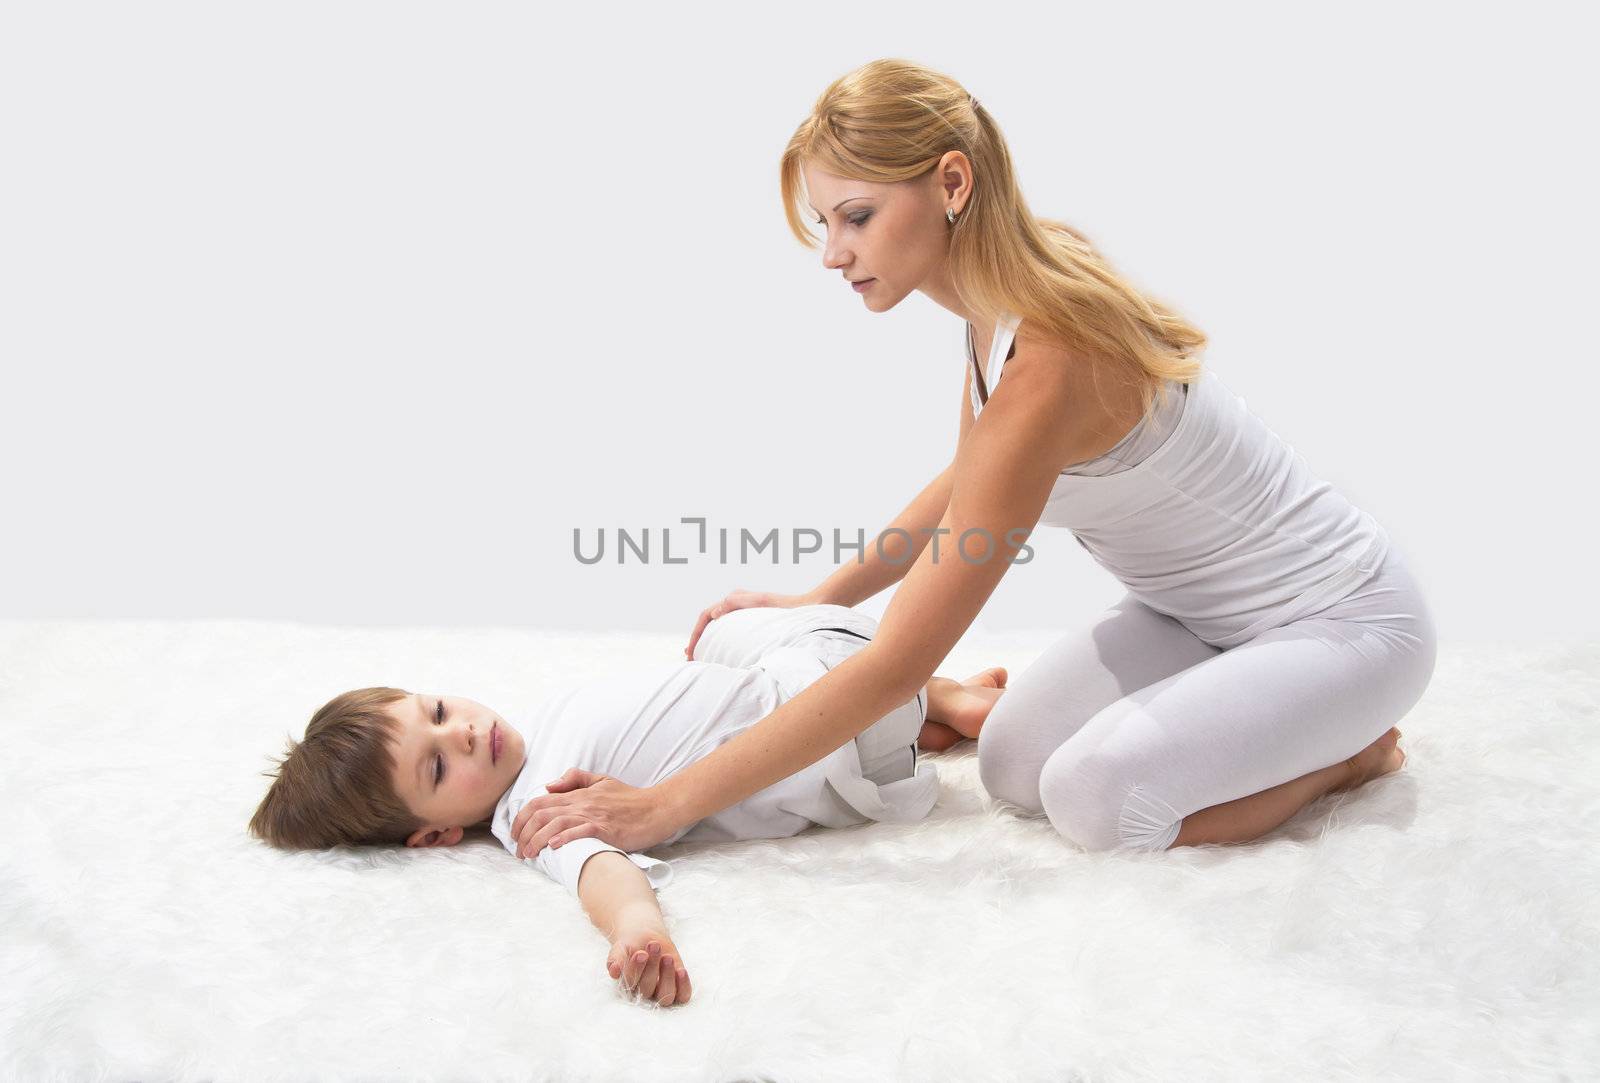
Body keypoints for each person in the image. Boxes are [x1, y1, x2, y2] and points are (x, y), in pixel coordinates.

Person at [511, 57, 1437, 861]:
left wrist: (659, 804)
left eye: (857, 217)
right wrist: (819, 601)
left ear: (951, 182)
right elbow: (968, 479)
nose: (834, 253)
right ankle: (1264, 719)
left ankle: (1351, 756)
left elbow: (893, 669)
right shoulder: (999, 302)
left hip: (1344, 617)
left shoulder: (1052, 356)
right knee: (1011, 765)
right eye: (827, 223)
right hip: (1188, 614)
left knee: (1098, 802)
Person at [247, 602, 1007, 1007]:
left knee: (720, 632)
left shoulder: (542, 727)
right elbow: (601, 873)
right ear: (437, 833)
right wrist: (638, 931)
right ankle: (940, 698)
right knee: (734, 631)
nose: (468, 731)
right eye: (439, 763)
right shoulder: (536, 816)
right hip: (842, 692)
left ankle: (932, 715)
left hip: (849, 735)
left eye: (440, 707)